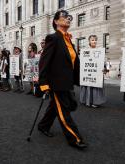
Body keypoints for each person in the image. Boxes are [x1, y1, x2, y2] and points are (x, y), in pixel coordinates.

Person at [37, 10, 87, 149]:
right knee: (64, 111)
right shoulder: (53, 38)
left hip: (66, 81)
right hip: (57, 83)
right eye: (65, 17)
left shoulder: (68, 39)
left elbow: (72, 62)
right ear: (56, 21)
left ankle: (43, 126)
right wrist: (44, 83)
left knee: (55, 106)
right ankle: (75, 138)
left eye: (69, 17)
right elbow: (44, 62)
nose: (68, 19)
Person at [80, 35, 106, 108]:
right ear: (89, 41)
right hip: (88, 73)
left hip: (97, 73)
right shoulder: (85, 51)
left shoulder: (100, 51)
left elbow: (103, 63)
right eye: (92, 40)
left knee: (96, 87)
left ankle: (96, 102)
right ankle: (87, 101)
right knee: (88, 85)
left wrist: (104, 69)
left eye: (95, 40)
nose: (94, 41)